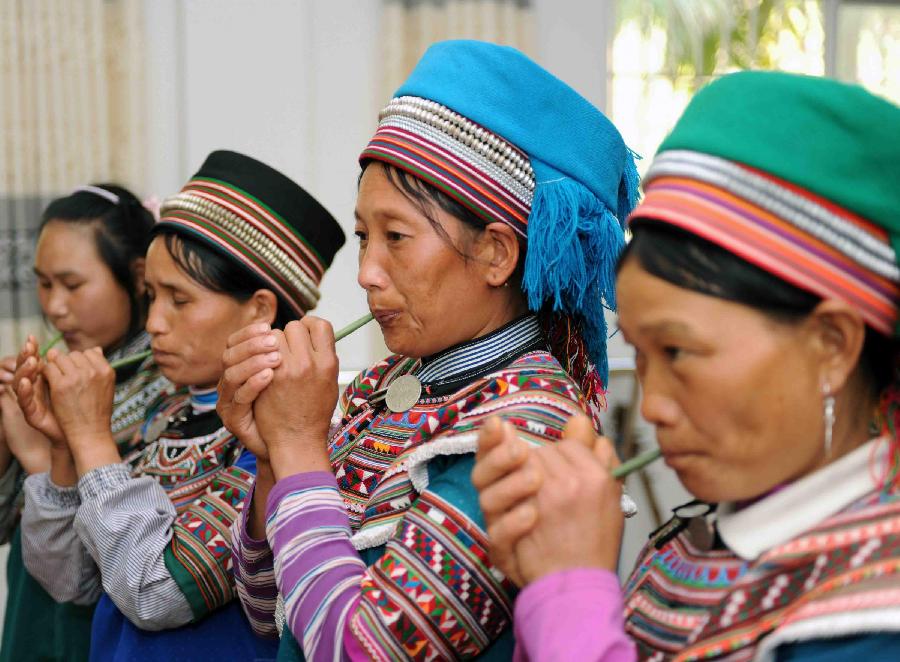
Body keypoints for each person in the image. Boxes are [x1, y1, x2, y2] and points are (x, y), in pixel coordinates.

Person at [218, 40, 640, 659]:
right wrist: (272, 461)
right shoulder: (379, 390)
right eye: (364, 236)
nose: (366, 272)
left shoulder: (522, 430)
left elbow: (364, 650)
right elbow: (265, 612)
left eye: (396, 236)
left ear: (497, 253)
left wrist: (299, 447)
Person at [472, 71, 900, 661]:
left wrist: (569, 592)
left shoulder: (876, 608)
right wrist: (542, 583)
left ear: (831, 344)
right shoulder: (685, 546)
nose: (651, 407)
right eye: (642, 356)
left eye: (679, 352)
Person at [14, 151, 345, 661]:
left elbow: (156, 593)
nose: (154, 323)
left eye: (180, 299)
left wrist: (92, 440)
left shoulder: (276, 439)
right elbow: (72, 583)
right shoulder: (167, 417)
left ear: (259, 308)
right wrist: (62, 448)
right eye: (151, 295)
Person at [0, 185, 170, 662]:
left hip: (92, 636)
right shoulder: (55, 377)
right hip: (31, 627)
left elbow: (117, 567)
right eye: (44, 282)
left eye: (72, 285)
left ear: (137, 277)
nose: (54, 307)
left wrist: (42, 457)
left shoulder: (167, 390)